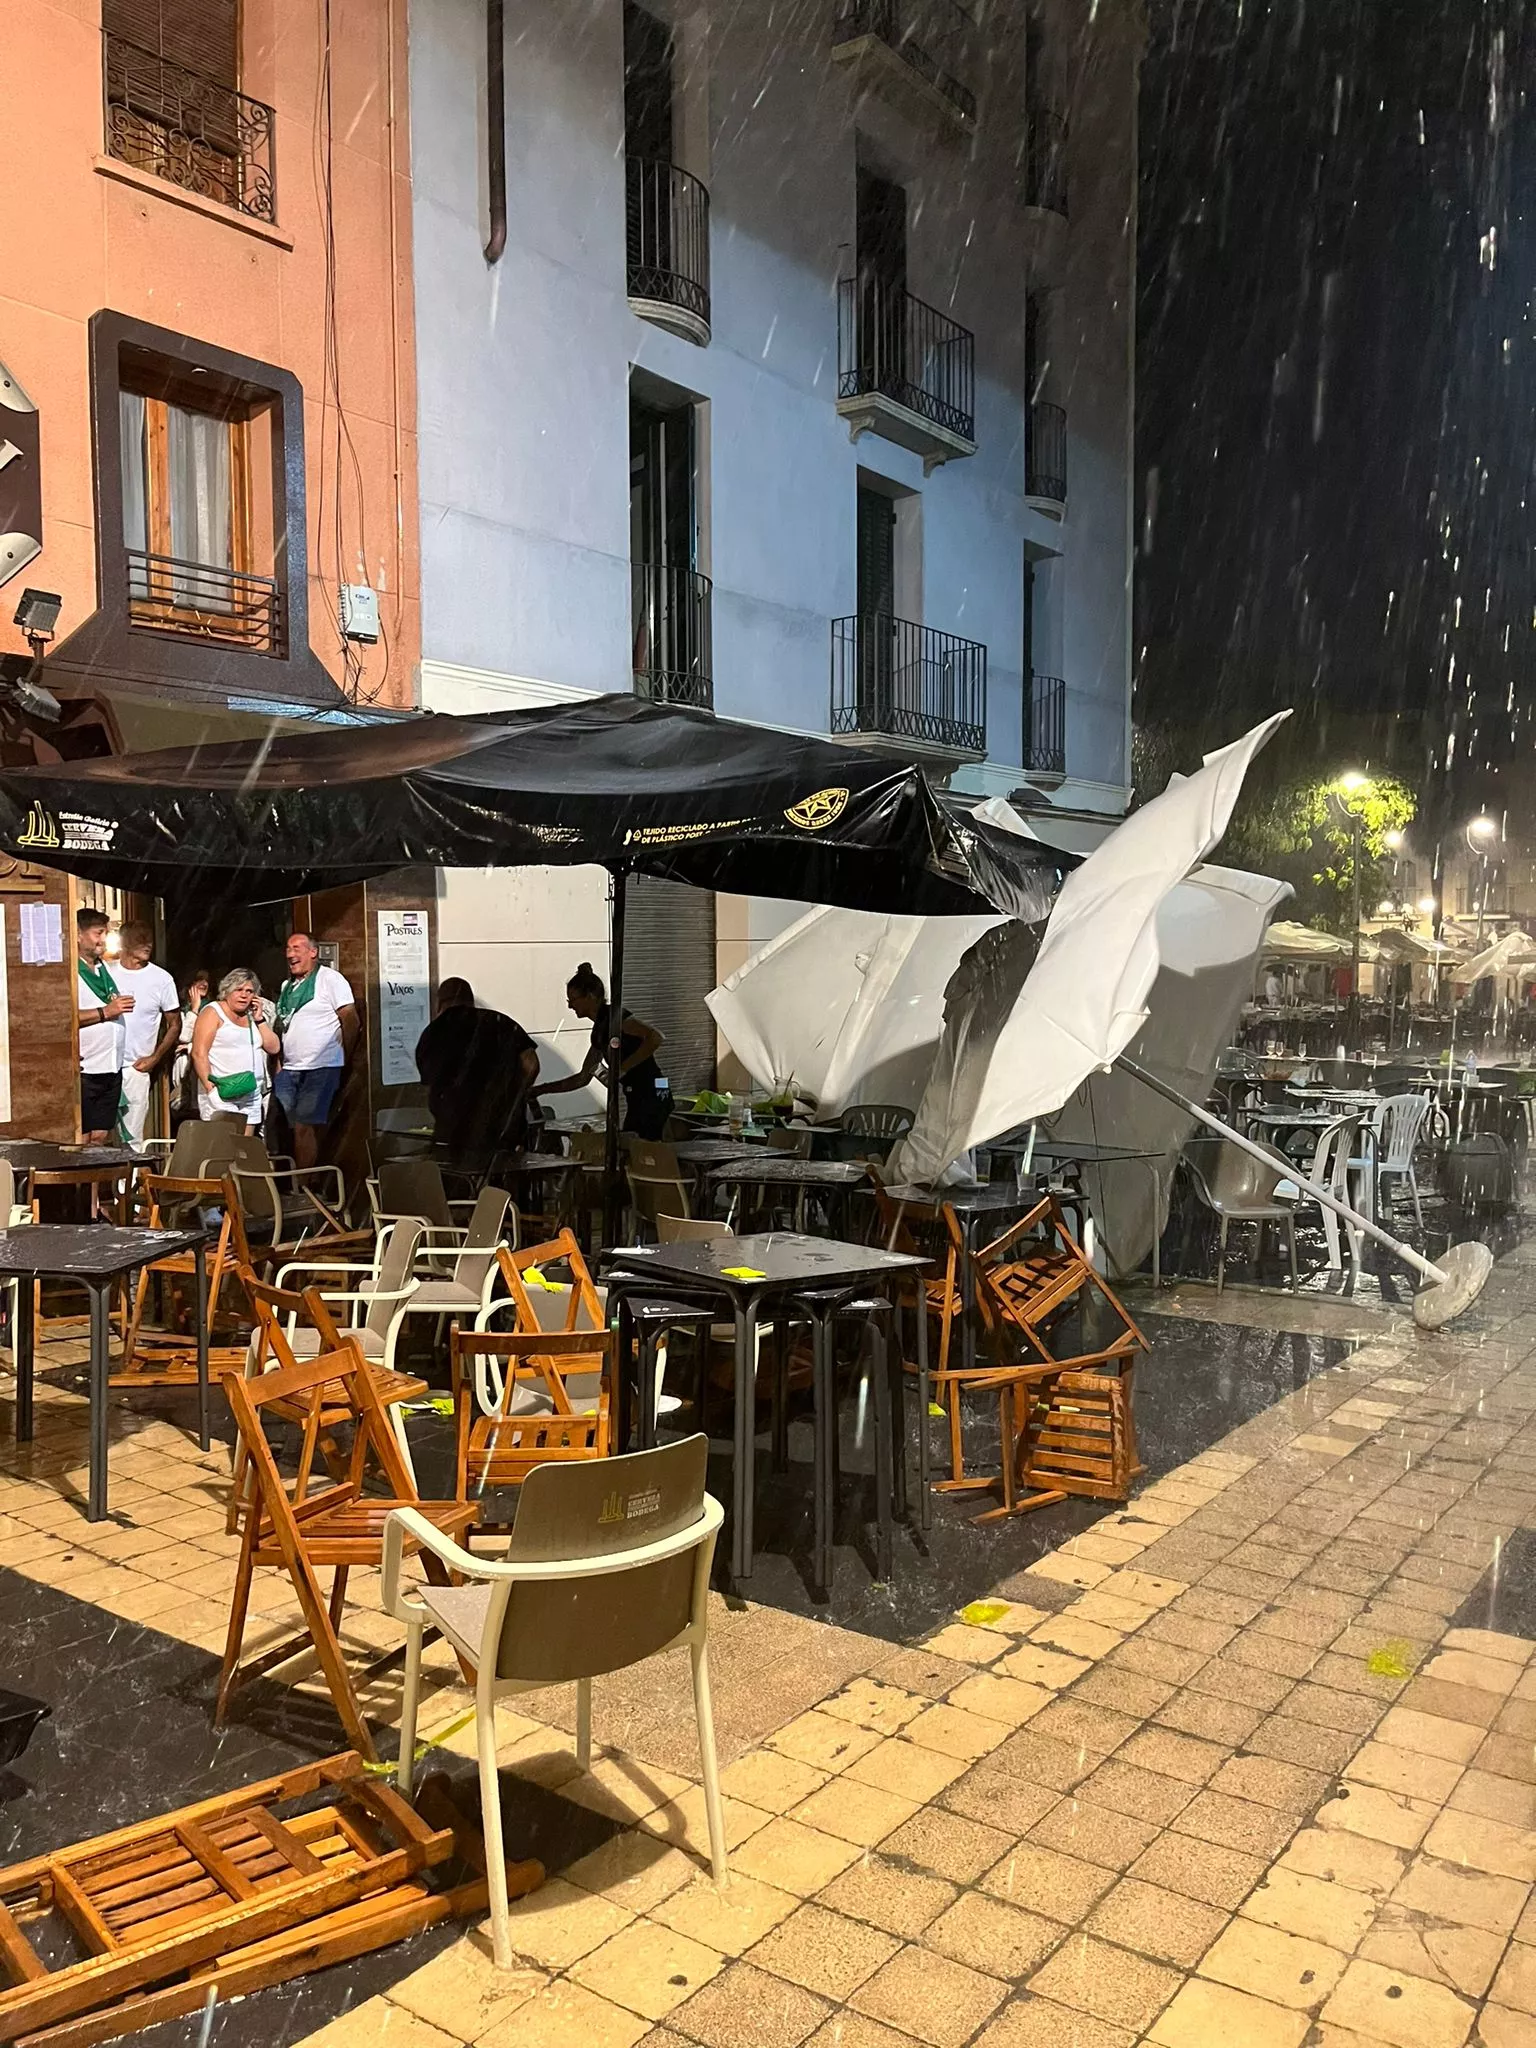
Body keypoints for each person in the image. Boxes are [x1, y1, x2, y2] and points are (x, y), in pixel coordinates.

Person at [533, 962, 670, 1140]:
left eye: (573, 1000)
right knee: (634, 1144)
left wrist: (623, 1068)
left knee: (642, 1148)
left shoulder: (616, 1018)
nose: (570, 1006)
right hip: (636, 1096)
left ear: (590, 996)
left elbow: (655, 1037)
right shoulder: (599, 1032)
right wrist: (541, 1090)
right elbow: (583, 1077)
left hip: (656, 1090)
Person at [414, 977, 539, 1157]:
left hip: (454, 1132)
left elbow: (429, 1083)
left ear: (439, 1003)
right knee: (502, 1180)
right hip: (503, 1129)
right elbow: (531, 1064)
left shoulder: (433, 1032)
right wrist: (511, 1094)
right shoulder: (501, 1022)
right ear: (470, 1000)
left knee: (457, 1180)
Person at [272, 933, 357, 1168]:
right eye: (288, 949)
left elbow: (350, 1019)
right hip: (290, 1069)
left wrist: (343, 1056)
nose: (290, 954)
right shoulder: (287, 986)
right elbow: (285, 1027)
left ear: (313, 952)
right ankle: (297, 1180)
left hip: (321, 1066)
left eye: (297, 948)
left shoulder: (331, 979)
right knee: (284, 1127)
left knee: (304, 1126)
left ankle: (305, 1186)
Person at [112, 922, 182, 1145]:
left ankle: (129, 1181)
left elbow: (174, 1024)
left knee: (132, 1138)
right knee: (99, 1135)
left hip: (135, 1069)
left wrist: (155, 1057)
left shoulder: (162, 979)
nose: (147, 943)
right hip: (102, 1067)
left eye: (149, 938)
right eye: (139, 938)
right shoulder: (105, 971)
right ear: (123, 942)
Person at [191, 968, 279, 1128]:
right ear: (227, 990)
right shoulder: (213, 1012)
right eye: (239, 990)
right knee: (222, 1147)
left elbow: (273, 1048)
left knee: (244, 1148)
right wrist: (211, 1090)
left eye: (249, 991)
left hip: (250, 1091)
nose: (244, 995)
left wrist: (260, 1019)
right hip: (222, 1090)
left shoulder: (252, 1016)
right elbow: (199, 1053)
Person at [76, 908, 134, 1144]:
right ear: (78, 934)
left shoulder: (104, 969)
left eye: (105, 933)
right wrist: (106, 1012)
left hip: (111, 1067)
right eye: (98, 933)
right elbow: (61, 1018)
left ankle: (96, 1181)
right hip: (85, 1069)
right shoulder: (69, 971)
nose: (103, 940)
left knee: (101, 1136)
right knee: (80, 1136)